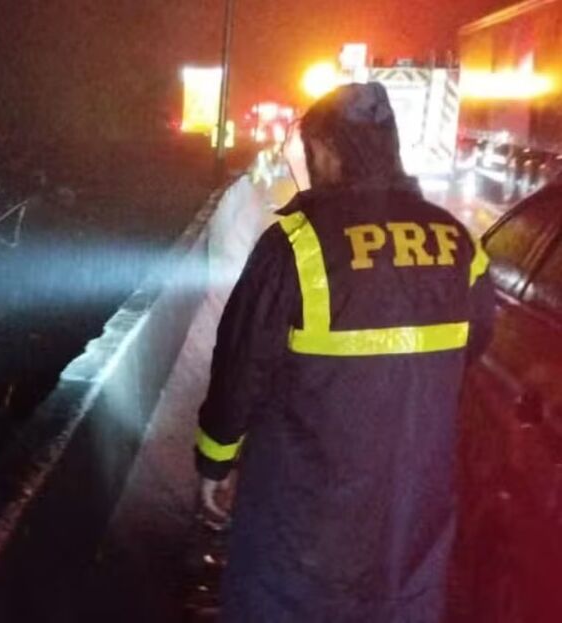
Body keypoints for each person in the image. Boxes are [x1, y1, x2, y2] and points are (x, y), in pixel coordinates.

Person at [192, 82, 496, 622]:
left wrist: (214, 463)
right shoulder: (459, 243)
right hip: (412, 518)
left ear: (327, 150)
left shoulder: (297, 244)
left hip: (301, 524)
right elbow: (473, 347)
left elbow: (240, 367)